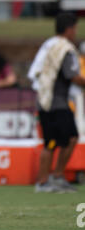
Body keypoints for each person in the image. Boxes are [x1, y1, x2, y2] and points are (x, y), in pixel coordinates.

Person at [28, 12, 85, 193]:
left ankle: (53, 178)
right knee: (57, 141)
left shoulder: (49, 45)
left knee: (58, 140)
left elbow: (33, 73)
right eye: (75, 28)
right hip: (56, 102)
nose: (75, 32)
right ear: (69, 29)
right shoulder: (65, 48)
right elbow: (73, 76)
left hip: (46, 99)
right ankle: (48, 180)